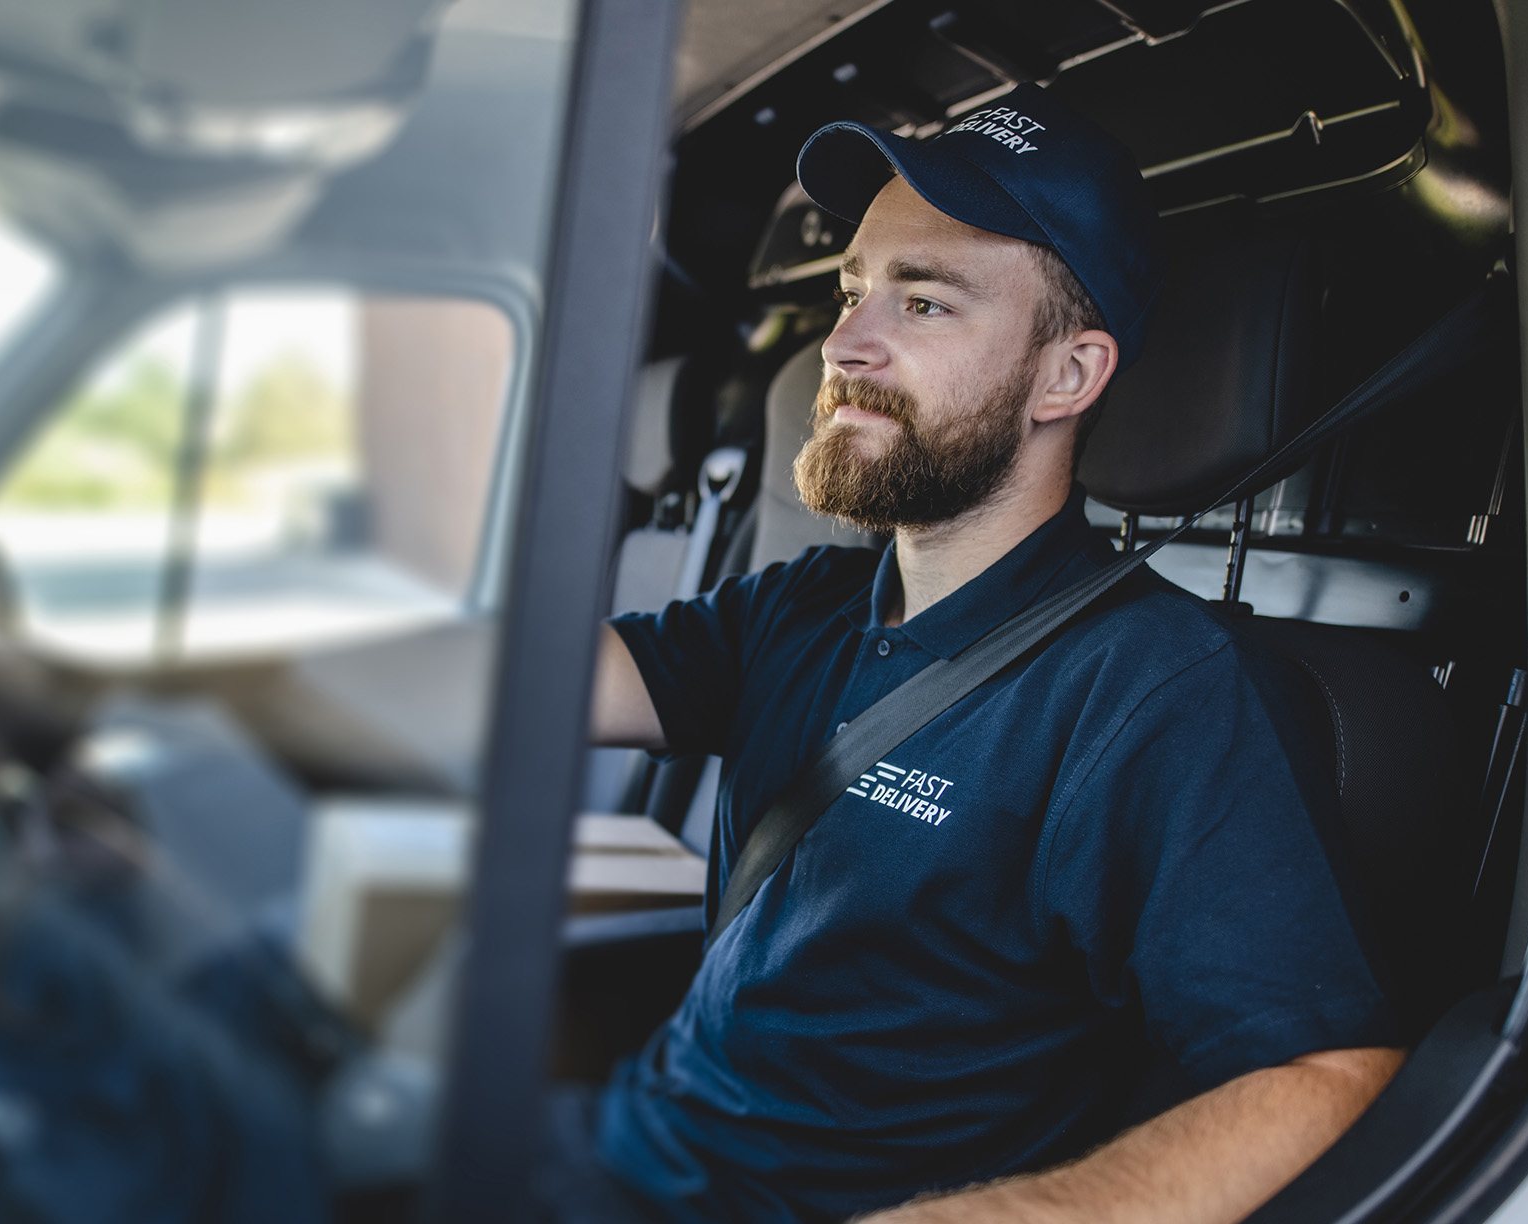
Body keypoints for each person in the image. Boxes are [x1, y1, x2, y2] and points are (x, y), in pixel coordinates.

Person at [581, 83, 1404, 1223]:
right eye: (852, 290)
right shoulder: (808, 602)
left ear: (1066, 376)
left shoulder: (1157, 690)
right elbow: (540, 689)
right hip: (608, 1157)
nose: (845, 344)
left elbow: (1326, 1079)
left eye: (922, 305)